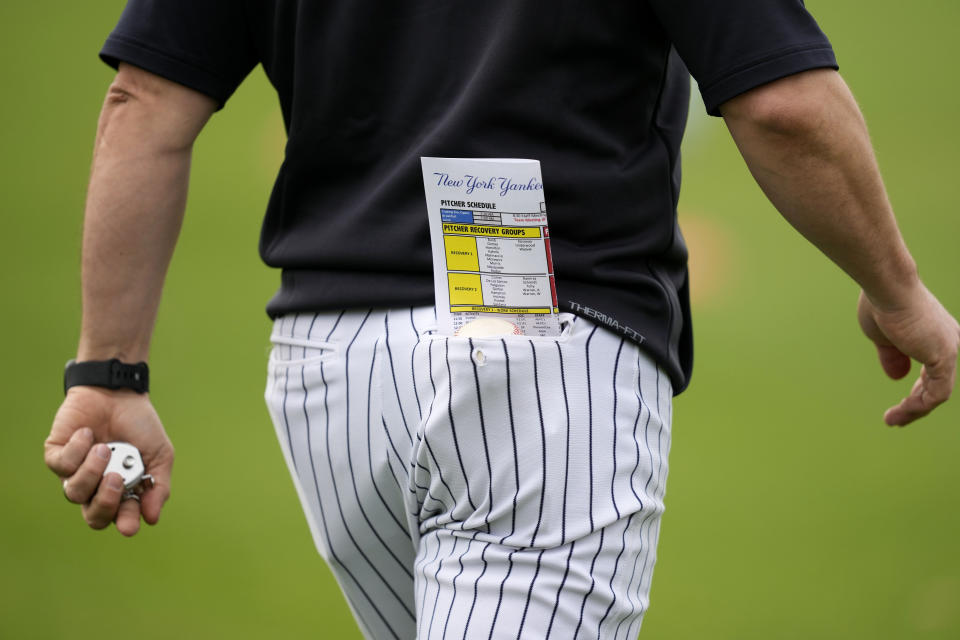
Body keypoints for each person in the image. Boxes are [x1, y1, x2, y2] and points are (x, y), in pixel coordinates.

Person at [45, 1, 959, 638]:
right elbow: (784, 103)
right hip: (539, 362)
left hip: (329, 374)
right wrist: (900, 292)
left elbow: (145, 101)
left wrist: (107, 372)